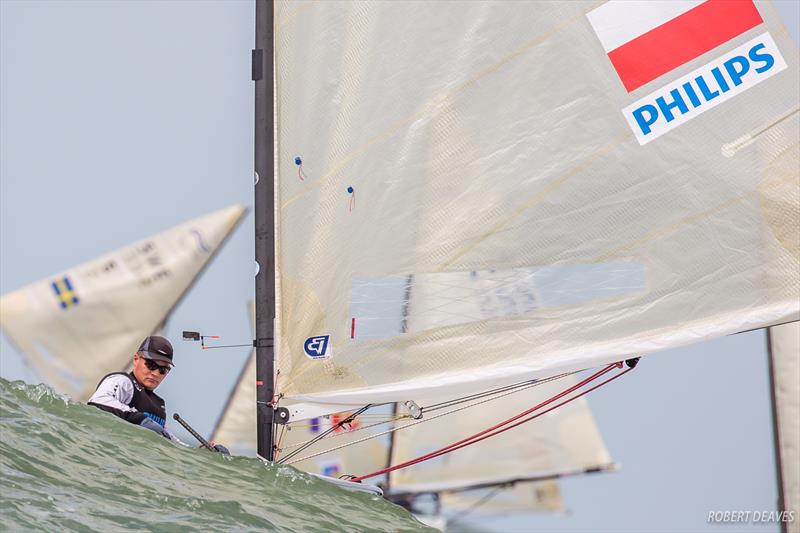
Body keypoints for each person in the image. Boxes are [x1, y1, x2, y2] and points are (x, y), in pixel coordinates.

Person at [88, 335, 228, 453]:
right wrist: (139, 419)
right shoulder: (123, 382)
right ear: (136, 359)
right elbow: (99, 400)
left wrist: (201, 452)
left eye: (163, 370)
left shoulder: (159, 405)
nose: (156, 373)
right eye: (151, 365)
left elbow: (169, 440)